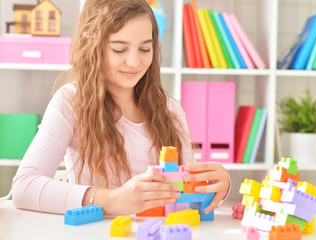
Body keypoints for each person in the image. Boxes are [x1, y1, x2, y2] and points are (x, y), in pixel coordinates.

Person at [12, 0, 230, 216]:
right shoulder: (72, 101)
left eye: (145, 48)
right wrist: (112, 200)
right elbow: (24, 187)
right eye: (119, 49)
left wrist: (214, 187)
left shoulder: (170, 109)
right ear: (92, 44)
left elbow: (185, 194)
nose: (134, 62)